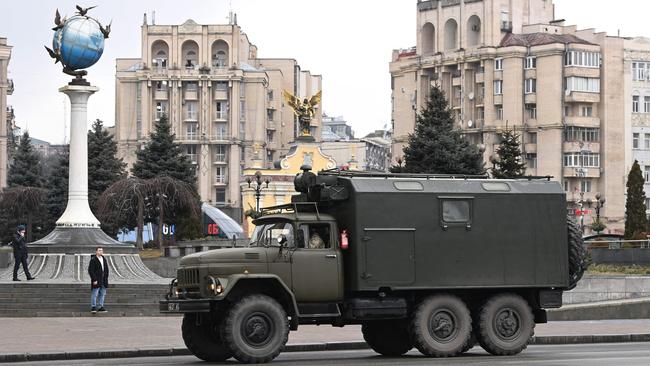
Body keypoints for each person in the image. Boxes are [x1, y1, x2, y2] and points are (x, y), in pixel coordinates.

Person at [88, 247, 109, 314]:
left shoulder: (104, 259)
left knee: (102, 293)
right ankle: (93, 307)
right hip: (97, 279)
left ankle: (100, 306)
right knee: (95, 294)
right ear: (96, 251)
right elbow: (91, 270)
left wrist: (106, 277)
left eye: (102, 250)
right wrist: (94, 279)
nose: (101, 252)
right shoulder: (93, 259)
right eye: (99, 250)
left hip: (103, 279)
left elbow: (106, 269)